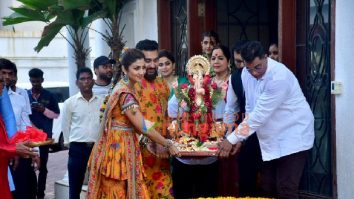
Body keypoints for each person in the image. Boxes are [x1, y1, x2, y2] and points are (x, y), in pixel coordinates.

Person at [218, 41, 314, 199]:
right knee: (267, 186)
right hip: (270, 137)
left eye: (258, 67)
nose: (254, 73)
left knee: (286, 188)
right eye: (249, 69)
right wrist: (242, 139)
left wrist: (232, 139)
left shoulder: (279, 77)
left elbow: (259, 115)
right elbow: (250, 109)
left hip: (293, 136)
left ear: (266, 57)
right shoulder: (245, 74)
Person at [87, 49, 179, 199]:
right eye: (136, 68)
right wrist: (167, 143)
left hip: (121, 144)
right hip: (118, 150)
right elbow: (143, 126)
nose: (141, 72)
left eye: (143, 67)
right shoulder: (125, 94)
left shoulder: (125, 87)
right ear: (124, 69)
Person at [135, 39, 174, 198]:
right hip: (138, 157)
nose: (152, 65)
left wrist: (169, 139)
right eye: (147, 61)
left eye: (155, 60)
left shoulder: (162, 84)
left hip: (161, 156)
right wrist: (151, 142)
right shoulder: (131, 85)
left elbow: (166, 116)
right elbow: (130, 122)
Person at [224, 40, 262, 197]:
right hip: (245, 134)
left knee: (270, 180)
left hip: (266, 131)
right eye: (237, 61)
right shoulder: (235, 78)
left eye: (243, 62)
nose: (240, 66)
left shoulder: (262, 75)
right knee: (246, 178)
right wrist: (229, 134)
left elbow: (259, 113)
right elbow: (231, 108)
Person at [62, 67, 104, 199]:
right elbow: (65, 126)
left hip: (97, 148)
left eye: (88, 78)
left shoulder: (102, 101)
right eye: (82, 79)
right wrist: (69, 145)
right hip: (77, 148)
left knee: (99, 183)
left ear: (93, 81)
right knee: (75, 186)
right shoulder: (70, 103)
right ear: (77, 83)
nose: (86, 81)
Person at [0, 59, 38, 199]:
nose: (6, 77)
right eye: (3, 73)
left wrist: (35, 151)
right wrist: (11, 149)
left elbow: (26, 126)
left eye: (10, 74)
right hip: (7, 151)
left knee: (25, 191)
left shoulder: (20, 98)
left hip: (18, 153)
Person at [27, 68, 60, 199]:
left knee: (43, 166)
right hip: (28, 137)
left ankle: (40, 194)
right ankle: (31, 192)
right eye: (33, 81)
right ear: (30, 80)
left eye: (38, 81)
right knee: (28, 166)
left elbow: (56, 114)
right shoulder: (25, 95)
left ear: (42, 80)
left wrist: (43, 109)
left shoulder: (49, 95)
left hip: (45, 138)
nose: (35, 84)